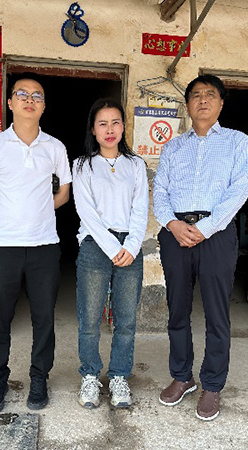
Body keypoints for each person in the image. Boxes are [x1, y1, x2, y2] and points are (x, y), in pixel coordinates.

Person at [153, 75, 248, 421]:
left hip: (217, 233)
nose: (203, 100)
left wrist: (206, 228)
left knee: (216, 313)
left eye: (210, 95)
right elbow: (160, 191)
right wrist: (173, 225)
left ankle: (212, 384)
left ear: (221, 103)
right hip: (176, 233)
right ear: (188, 104)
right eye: (196, 95)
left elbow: (239, 191)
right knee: (177, 310)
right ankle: (182, 376)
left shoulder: (237, 142)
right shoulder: (173, 147)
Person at [0, 75, 72, 413]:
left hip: (44, 246)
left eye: (37, 96)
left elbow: (63, 192)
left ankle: (39, 377)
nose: (29, 100)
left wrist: (39, 211)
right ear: (10, 103)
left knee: (44, 317)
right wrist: (14, 216)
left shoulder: (55, 147)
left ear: (44, 106)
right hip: (3, 247)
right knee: (0, 317)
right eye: (22, 94)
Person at [72, 98, 149, 408]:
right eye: (102, 123)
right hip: (95, 244)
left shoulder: (136, 165)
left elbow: (141, 208)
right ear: (93, 129)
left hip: (130, 246)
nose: (109, 129)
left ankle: (119, 376)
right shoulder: (83, 165)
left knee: (126, 319)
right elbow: (86, 211)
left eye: (115, 122)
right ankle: (90, 375)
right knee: (90, 319)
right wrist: (114, 248)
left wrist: (130, 246)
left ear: (123, 127)